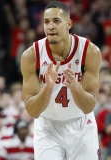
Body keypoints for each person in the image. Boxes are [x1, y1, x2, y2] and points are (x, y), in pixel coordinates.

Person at [20, 1, 101, 160]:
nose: (50, 26)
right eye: (46, 22)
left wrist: (75, 87)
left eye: (56, 21)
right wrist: (48, 88)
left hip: (81, 124)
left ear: (68, 24)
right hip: (48, 127)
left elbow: (88, 107)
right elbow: (32, 111)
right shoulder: (31, 55)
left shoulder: (89, 51)